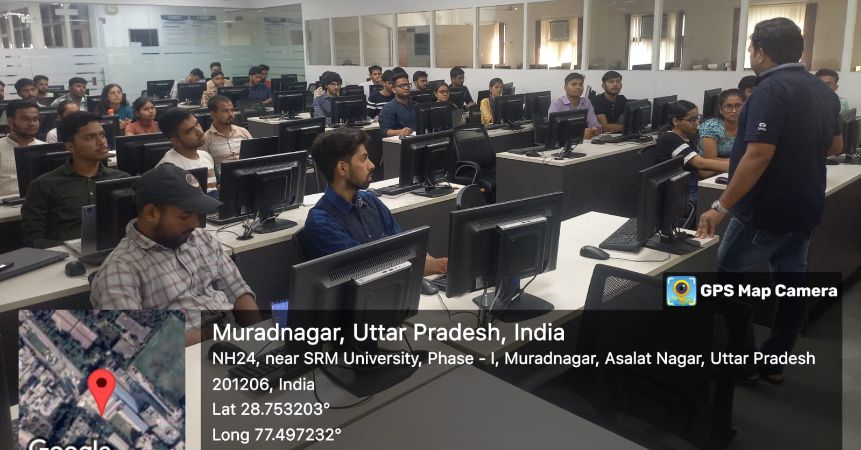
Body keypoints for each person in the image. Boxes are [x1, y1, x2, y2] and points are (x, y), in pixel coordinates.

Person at [696, 18, 843, 384]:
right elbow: (835, 146)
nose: (750, 55)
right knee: (792, 285)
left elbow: (758, 155)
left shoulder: (769, 90)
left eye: (750, 49)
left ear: (761, 52)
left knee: (728, 279)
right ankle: (774, 360)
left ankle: (742, 362)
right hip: (806, 204)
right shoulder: (823, 91)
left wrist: (719, 206)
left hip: (765, 209)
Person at [90, 163, 260, 346]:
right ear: (151, 213)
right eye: (185, 215)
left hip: (232, 342)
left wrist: (260, 338)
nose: (195, 223)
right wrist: (210, 336)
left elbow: (238, 291)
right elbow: (132, 342)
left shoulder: (200, 238)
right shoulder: (120, 270)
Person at [302, 127, 448, 275]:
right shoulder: (321, 223)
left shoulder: (370, 201)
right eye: (363, 158)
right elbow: (369, 268)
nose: (371, 165)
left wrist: (440, 264)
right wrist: (441, 266)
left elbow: (406, 249)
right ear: (342, 168)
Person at [21, 112, 129, 248]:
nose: (102, 142)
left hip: (116, 251)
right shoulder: (44, 185)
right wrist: (73, 248)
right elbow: (33, 240)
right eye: (90, 137)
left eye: (102, 135)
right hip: (66, 256)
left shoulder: (121, 179)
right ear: (70, 146)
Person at [655, 100, 729, 203]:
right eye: (692, 120)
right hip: (681, 194)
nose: (697, 123)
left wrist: (735, 162)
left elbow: (703, 172)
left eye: (697, 118)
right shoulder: (669, 138)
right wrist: (734, 166)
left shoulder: (689, 138)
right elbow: (700, 163)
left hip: (691, 187)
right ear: (675, 121)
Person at [157, 108, 215, 190]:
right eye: (190, 131)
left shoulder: (206, 155)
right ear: (176, 141)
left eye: (197, 124)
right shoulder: (168, 170)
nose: (199, 131)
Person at [1, 101, 45, 196]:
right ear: (10, 121)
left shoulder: (45, 148)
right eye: (25, 119)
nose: (32, 124)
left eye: (35, 119)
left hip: (40, 201)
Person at [548, 73, 602, 139]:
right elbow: (554, 129)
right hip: (562, 142)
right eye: (574, 84)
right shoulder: (557, 103)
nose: (578, 87)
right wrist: (579, 133)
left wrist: (595, 130)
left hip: (584, 141)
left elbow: (595, 123)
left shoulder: (587, 102)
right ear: (565, 87)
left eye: (581, 84)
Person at [201, 95, 252, 163]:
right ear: (213, 114)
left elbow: (255, 154)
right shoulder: (206, 139)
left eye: (232, 110)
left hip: (247, 167)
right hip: (223, 169)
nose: (231, 114)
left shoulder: (243, 131)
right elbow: (204, 163)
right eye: (225, 111)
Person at [698, 89, 744, 159]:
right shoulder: (711, 126)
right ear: (721, 109)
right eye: (728, 106)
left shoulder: (749, 124)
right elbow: (710, 159)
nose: (734, 111)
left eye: (738, 106)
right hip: (712, 165)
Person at [379, 72, 416, 138]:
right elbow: (385, 131)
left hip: (418, 139)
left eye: (407, 85)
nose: (406, 88)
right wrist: (399, 132)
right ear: (394, 90)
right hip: (401, 141)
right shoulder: (388, 108)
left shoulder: (416, 105)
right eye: (401, 86)